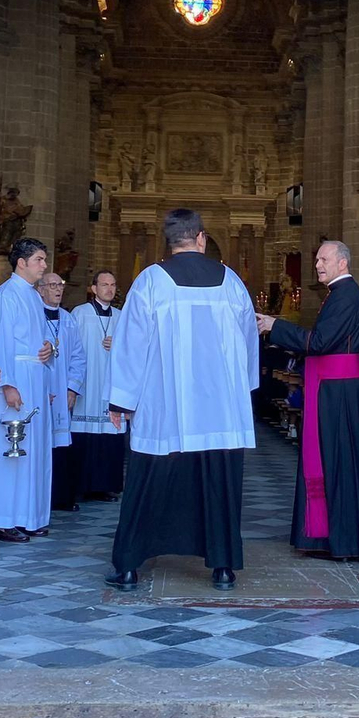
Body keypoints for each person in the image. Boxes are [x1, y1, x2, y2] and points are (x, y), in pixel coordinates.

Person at [105, 209, 260, 591]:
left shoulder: (150, 282)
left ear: (168, 242)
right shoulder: (232, 282)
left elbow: (130, 347)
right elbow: (247, 342)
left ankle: (128, 568)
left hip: (166, 406)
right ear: (202, 238)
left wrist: (121, 401)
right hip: (221, 409)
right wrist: (243, 389)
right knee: (219, 484)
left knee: (148, 482)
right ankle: (223, 567)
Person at [257, 241, 359, 559]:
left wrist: (276, 326)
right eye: (316, 258)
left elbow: (319, 343)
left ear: (342, 262)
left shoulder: (344, 294)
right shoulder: (339, 293)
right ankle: (331, 534)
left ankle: (342, 538)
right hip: (335, 387)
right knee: (336, 459)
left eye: (323, 258)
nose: (317, 264)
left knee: (338, 458)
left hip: (338, 391)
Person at [0, 237, 55, 543]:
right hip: (15, 385)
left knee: (31, 451)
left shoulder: (33, 297)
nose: (45, 265)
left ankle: (28, 515)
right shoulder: (5, 297)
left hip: (34, 380)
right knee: (8, 451)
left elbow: (38, 340)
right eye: (39, 259)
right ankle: (1, 517)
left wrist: (51, 348)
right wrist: (8, 384)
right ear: (21, 263)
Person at [70, 269, 125, 499]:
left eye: (112, 285)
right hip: (87, 382)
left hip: (111, 383)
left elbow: (135, 349)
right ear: (93, 288)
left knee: (108, 436)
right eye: (104, 285)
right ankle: (82, 485)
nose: (109, 289)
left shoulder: (122, 316)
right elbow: (71, 348)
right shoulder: (79, 314)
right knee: (85, 435)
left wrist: (120, 345)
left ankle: (105, 485)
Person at [39, 272, 87, 513]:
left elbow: (78, 356)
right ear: (41, 290)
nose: (58, 289)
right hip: (41, 391)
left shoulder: (68, 319)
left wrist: (72, 388)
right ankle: (40, 499)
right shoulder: (33, 316)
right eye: (52, 285)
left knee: (61, 445)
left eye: (60, 285)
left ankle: (60, 497)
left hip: (62, 392)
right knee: (39, 445)